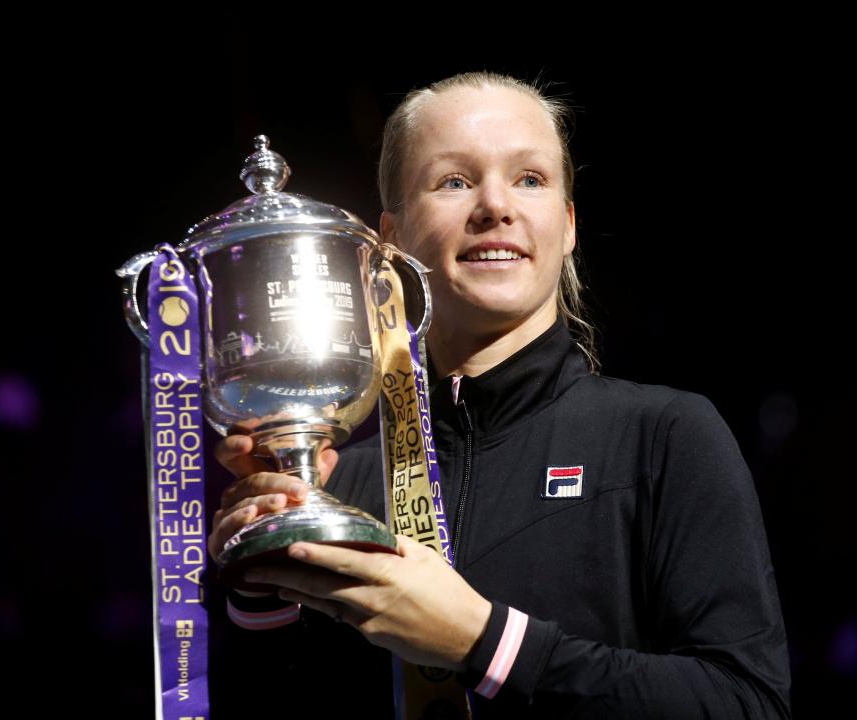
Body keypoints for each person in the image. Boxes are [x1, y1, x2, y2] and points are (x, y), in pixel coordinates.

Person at [206, 70, 792, 718]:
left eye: (529, 179)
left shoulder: (662, 437)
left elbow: (748, 704)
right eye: (454, 181)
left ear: (567, 225)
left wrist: (486, 643)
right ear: (390, 241)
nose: (495, 206)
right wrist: (260, 580)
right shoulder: (345, 490)